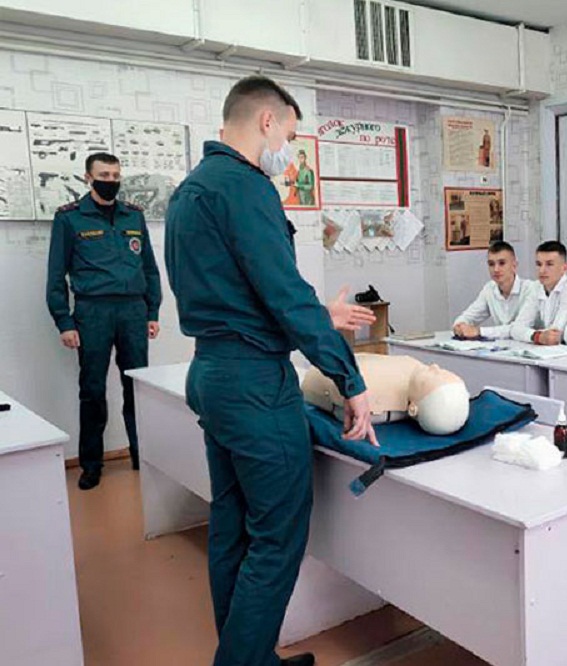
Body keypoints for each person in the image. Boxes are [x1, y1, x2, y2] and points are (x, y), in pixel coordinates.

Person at [165, 75, 379, 666]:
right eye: (290, 134)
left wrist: (318, 313)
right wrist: (350, 380)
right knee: (277, 538)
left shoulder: (190, 192)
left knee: (232, 527)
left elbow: (240, 292)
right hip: (255, 386)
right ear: (267, 121)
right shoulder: (246, 187)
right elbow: (282, 294)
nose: (288, 148)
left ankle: (253, 656)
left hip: (212, 374)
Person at [46, 152, 162, 490]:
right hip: (93, 312)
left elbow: (150, 269)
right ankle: (91, 464)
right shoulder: (70, 218)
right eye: (103, 175)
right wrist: (64, 322)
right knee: (93, 390)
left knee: (136, 387)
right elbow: (56, 275)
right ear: (88, 177)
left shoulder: (133, 215)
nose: (110, 181)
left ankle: (142, 455)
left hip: (133, 311)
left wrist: (152, 312)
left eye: (115, 175)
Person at [453, 240, 537, 340]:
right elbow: (468, 316)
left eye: (502, 263)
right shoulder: (489, 289)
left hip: (531, 347)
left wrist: (479, 331)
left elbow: (517, 329)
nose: (496, 269)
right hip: (504, 347)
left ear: (514, 265)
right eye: (491, 264)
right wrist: (460, 326)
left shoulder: (531, 289)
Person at [511, 240, 567, 345]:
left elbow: (556, 333)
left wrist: (534, 335)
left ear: (564, 268)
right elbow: (516, 328)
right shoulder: (536, 287)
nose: (542, 270)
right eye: (539, 264)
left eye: (549, 264)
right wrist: (537, 336)